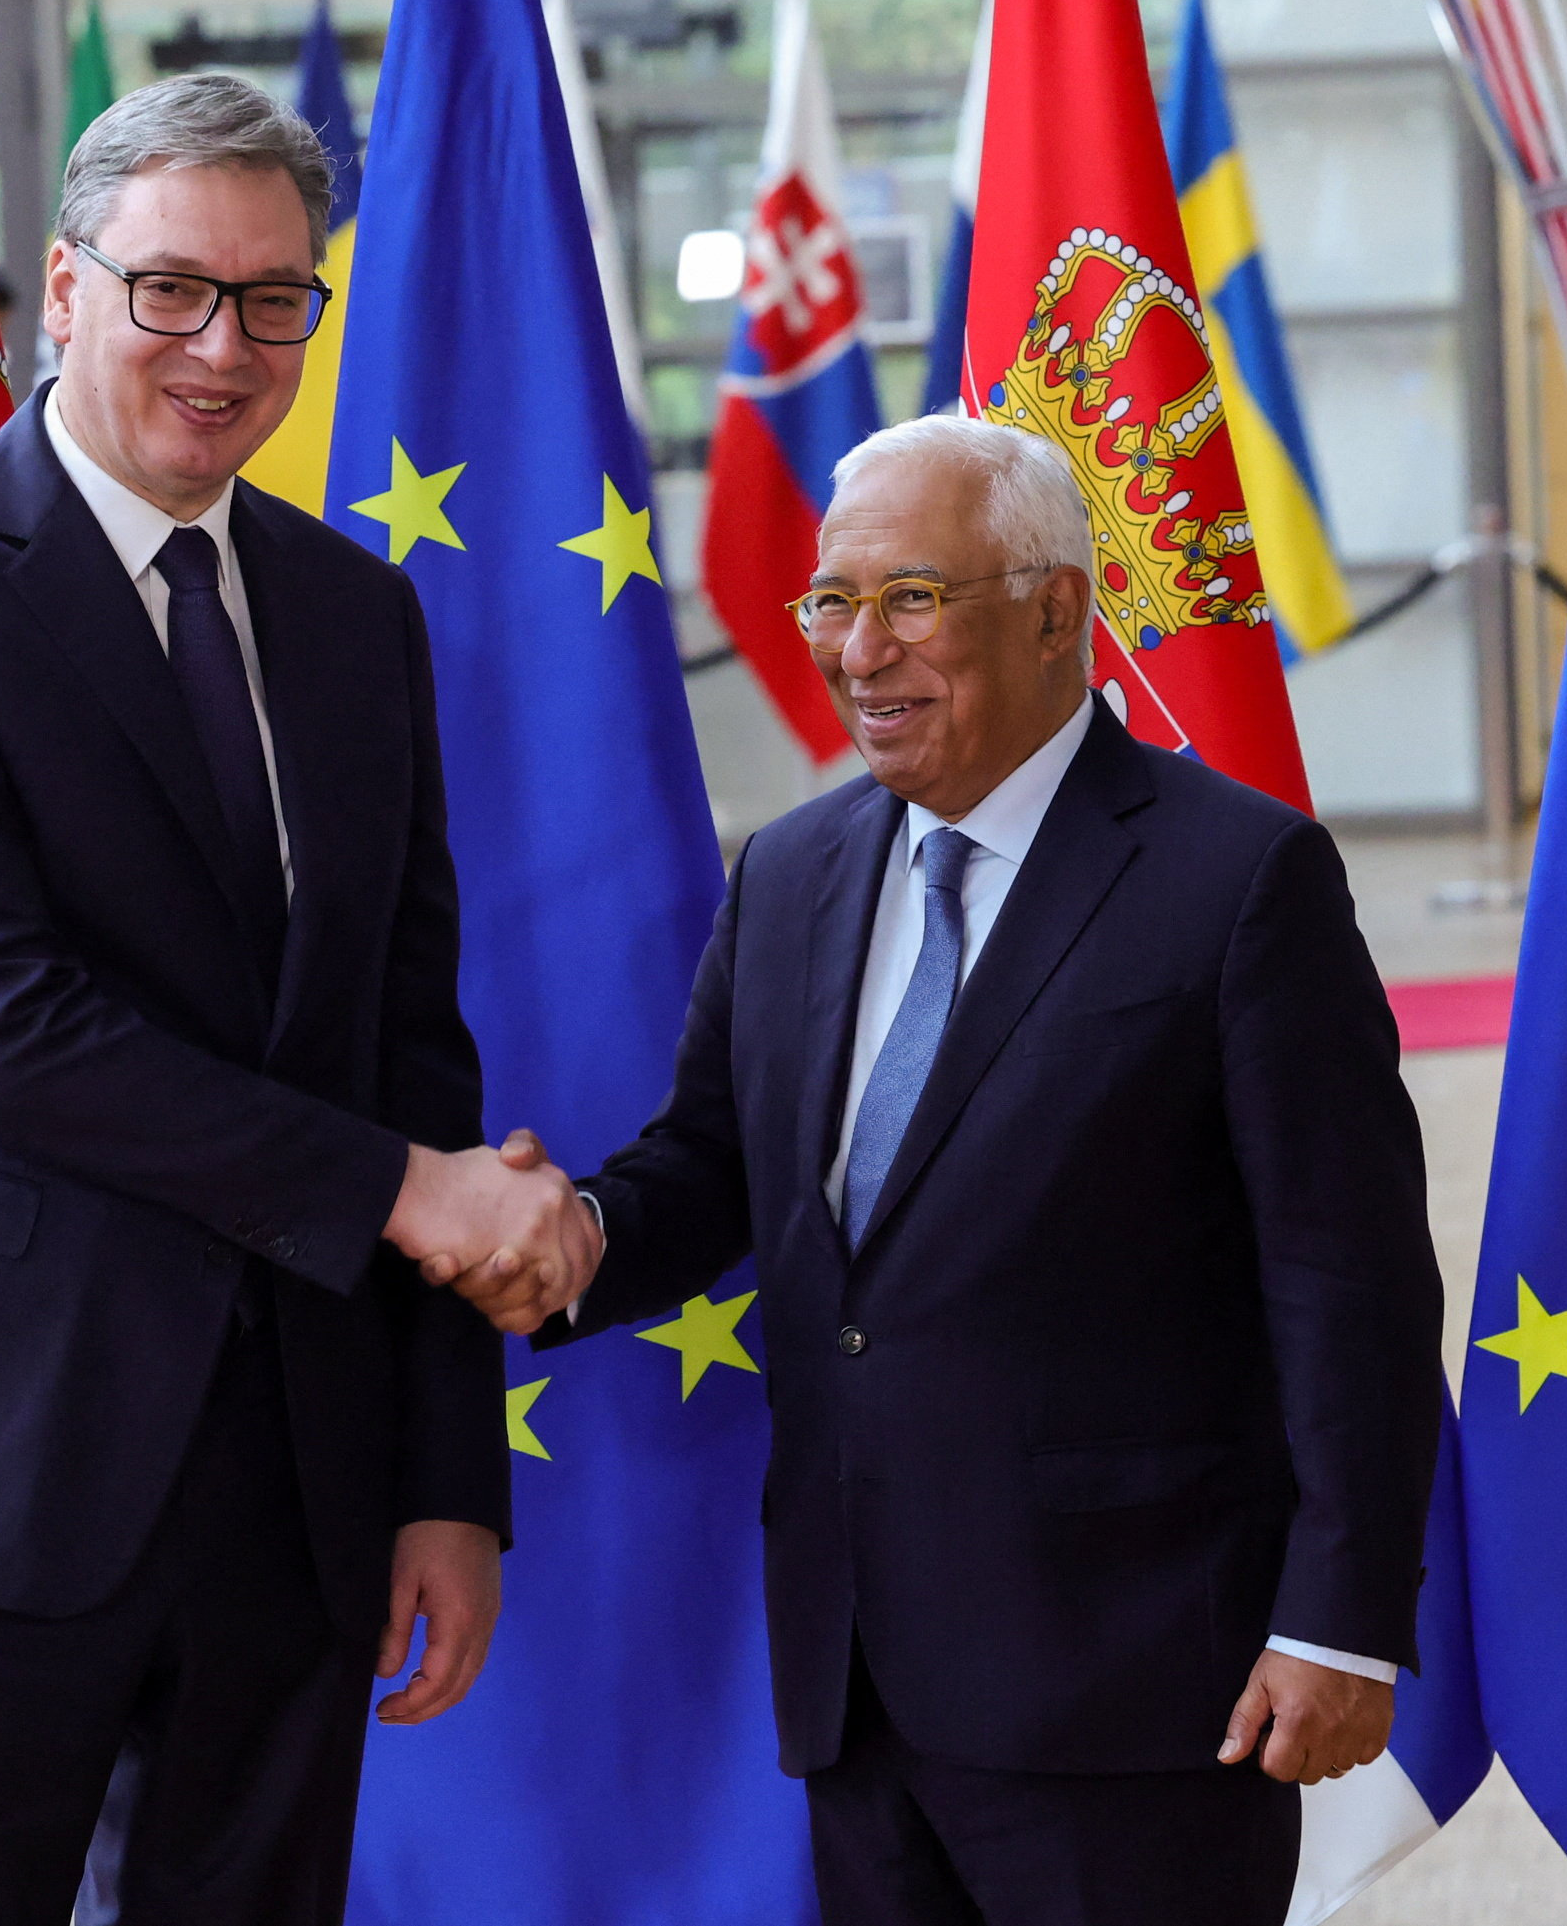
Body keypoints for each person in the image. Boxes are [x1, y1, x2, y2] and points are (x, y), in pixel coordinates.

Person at [0, 74, 596, 1925]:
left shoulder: (359, 618)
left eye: (275, 297)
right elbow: (0, 1029)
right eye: (171, 290)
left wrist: (447, 1475)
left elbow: (410, 1049)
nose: (226, 346)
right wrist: (409, 1194)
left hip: (287, 1483)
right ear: (62, 289)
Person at [439, 416, 1446, 1925]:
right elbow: (714, 1167)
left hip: (1138, 1681)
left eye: (911, 597)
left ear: (1054, 608)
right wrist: (564, 1232)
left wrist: (1341, 1623)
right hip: (858, 1677)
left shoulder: (1236, 879)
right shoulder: (789, 871)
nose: (857, 650)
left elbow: (1344, 1280)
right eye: (830, 603)